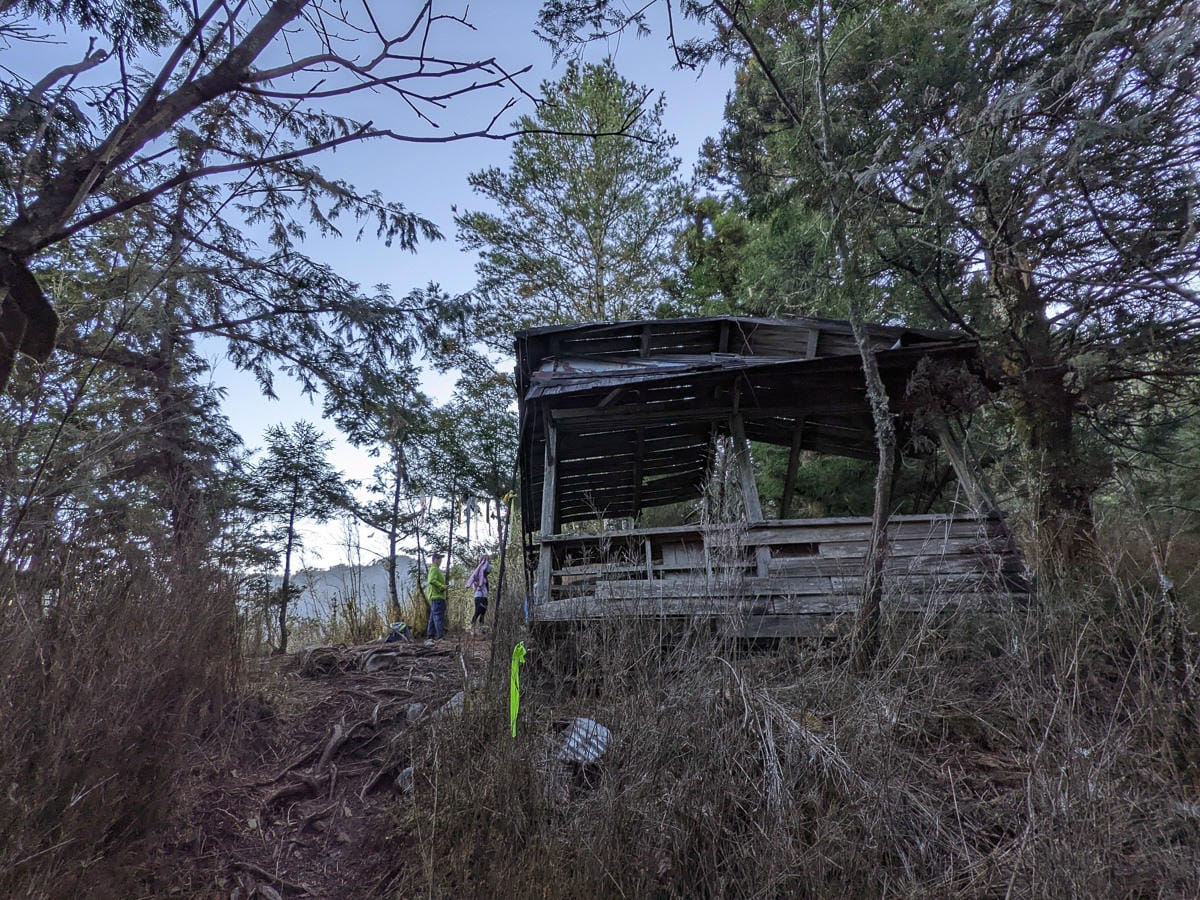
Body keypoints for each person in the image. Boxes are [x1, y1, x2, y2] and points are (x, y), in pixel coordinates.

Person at [466, 554, 491, 635]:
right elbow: (473, 580)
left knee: (483, 612)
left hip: (485, 595)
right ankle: (472, 627)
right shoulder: (477, 573)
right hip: (478, 595)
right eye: (485, 561)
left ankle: (481, 628)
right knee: (478, 611)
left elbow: (488, 570)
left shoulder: (485, 575)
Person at [425, 551, 447, 642]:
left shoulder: (436, 569)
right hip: (437, 596)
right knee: (438, 617)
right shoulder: (434, 569)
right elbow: (432, 580)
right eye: (439, 558)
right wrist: (442, 586)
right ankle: (440, 637)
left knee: (433, 617)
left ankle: (430, 636)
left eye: (441, 558)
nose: (440, 560)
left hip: (436, 596)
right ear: (434, 559)